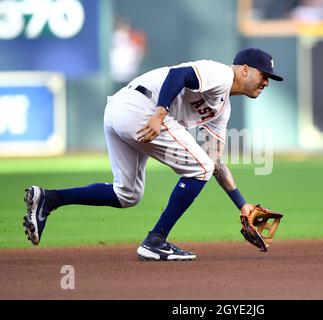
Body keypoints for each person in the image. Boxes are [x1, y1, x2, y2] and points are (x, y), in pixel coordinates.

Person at [22, 48, 284, 261]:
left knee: (127, 194)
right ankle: (156, 240)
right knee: (199, 168)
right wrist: (159, 114)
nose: (266, 82)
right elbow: (179, 74)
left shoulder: (221, 110)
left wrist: (242, 204)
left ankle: (50, 199)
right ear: (245, 69)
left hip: (121, 110)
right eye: (264, 75)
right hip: (143, 109)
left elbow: (215, 162)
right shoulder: (222, 74)